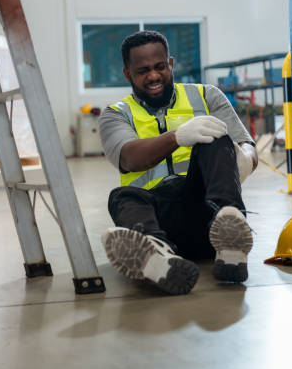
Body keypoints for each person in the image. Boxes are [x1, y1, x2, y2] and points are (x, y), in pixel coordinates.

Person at [99, 30, 258, 295]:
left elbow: (247, 145)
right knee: (122, 196)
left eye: (160, 67)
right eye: (143, 70)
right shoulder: (116, 114)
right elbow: (129, 157)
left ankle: (231, 243)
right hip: (159, 219)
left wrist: (245, 159)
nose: (153, 76)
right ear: (128, 74)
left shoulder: (208, 96)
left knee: (217, 135)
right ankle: (158, 256)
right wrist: (177, 137)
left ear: (170, 64)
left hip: (207, 217)